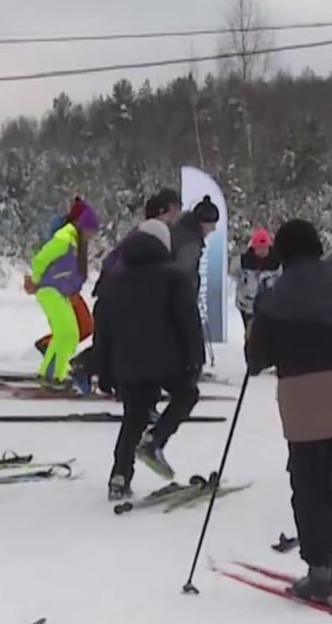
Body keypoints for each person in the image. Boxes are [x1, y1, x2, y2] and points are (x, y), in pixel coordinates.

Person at [245, 220, 332, 601]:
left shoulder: (277, 296)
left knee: (306, 483)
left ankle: (319, 569)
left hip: (302, 393)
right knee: (326, 475)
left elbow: (255, 358)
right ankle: (328, 555)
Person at [92, 218, 203, 500]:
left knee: (134, 418)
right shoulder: (174, 277)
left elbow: (102, 330)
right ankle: (155, 439)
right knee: (186, 395)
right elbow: (188, 321)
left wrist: (102, 370)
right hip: (168, 361)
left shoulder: (114, 281)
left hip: (127, 364)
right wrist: (195, 359)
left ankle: (119, 476)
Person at [28, 197, 99, 389]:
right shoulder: (64, 238)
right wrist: (35, 280)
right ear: (83, 226)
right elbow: (41, 258)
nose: (91, 235)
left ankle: (58, 374)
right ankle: (49, 374)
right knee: (65, 332)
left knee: (72, 333)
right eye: (91, 230)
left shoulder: (74, 241)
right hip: (50, 290)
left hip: (61, 292)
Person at [235, 227, 279, 334]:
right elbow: (233, 273)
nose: (262, 251)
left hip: (271, 307)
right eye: (259, 248)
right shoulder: (243, 261)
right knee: (251, 335)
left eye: (264, 247)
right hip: (248, 305)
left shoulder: (277, 263)